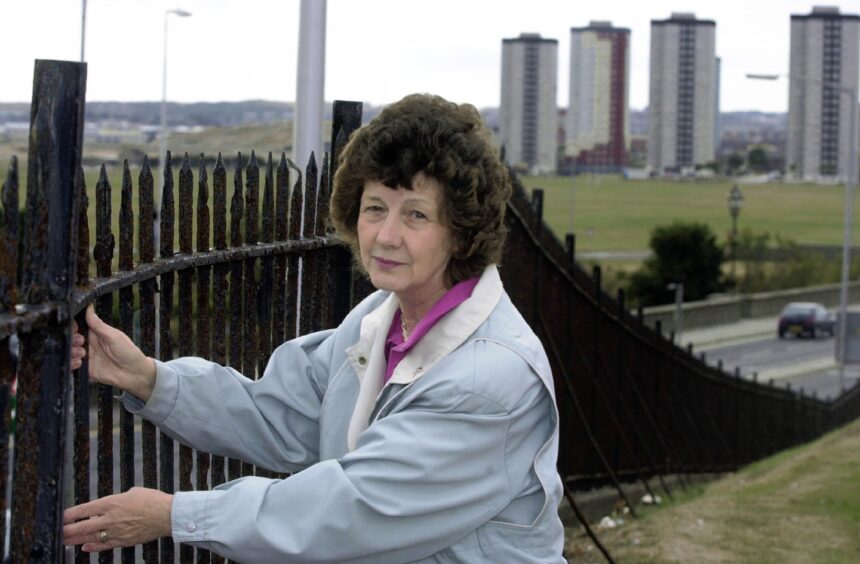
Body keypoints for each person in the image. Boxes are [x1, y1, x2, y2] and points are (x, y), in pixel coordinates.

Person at [64, 93, 565, 562]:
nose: (386, 235)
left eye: (416, 214)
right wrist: (147, 377)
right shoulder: (379, 319)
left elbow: (354, 508)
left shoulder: (487, 379)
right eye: (374, 208)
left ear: (461, 231)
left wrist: (178, 515)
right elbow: (281, 415)